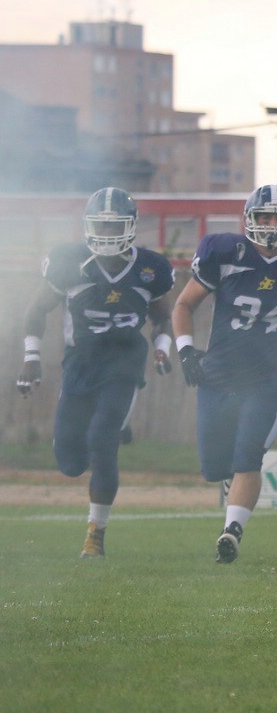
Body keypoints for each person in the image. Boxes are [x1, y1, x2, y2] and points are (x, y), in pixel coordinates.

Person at [172, 185, 277, 564]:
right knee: (215, 466)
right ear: (250, 220)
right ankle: (228, 483)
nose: (273, 225)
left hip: (265, 380)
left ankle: (232, 531)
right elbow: (184, 304)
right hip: (218, 375)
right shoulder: (226, 253)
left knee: (248, 458)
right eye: (265, 217)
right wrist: (185, 350)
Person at [17, 187, 174, 558]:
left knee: (102, 443)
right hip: (81, 363)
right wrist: (32, 356)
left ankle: (95, 535)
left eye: (113, 225)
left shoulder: (150, 268)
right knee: (71, 462)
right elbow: (36, 310)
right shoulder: (69, 262)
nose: (106, 233)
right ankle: (112, 427)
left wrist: (163, 349)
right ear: (88, 227)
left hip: (123, 362)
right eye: (100, 225)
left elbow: (163, 315)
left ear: (130, 227)